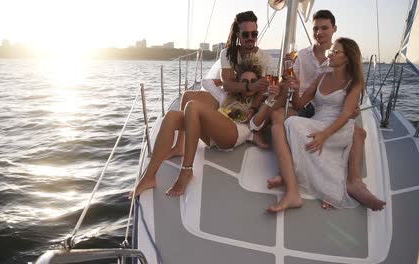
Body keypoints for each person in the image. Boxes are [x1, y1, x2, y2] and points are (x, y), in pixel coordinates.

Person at [268, 10, 385, 211]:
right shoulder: (319, 72)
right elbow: (299, 104)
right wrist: (295, 89)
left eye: (334, 52)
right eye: (316, 28)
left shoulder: (353, 81)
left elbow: (347, 114)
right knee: (287, 123)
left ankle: (349, 184)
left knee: (349, 131)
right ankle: (294, 178)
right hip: (315, 118)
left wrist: (324, 135)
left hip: (336, 126)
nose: (330, 53)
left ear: (347, 57)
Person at [131, 58, 279, 198]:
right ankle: (149, 176)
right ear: (239, 83)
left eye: (253, 81)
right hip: (215, 130)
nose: (249, 84)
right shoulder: (228, 96)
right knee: (171, 117)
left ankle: (186, 171)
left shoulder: (258, 101)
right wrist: (228, 83)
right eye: (244, 81)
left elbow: (256, 124)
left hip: (234, 133)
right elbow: (208, 83)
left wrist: (270, 99)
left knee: (193, 106)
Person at [166, 10, 276, 159]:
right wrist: (251, 86)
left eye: (254, 34)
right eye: (245, 34)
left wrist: (253, 107)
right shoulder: (228, 53)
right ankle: (180, 146)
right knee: (188, 95)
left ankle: (253, 133)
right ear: (238, 34)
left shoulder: (266, 59)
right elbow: (227, 85)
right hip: (228, 97)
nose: (251, 38)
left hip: (250, 104)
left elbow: (262, 91)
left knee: (195, 106)